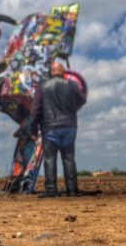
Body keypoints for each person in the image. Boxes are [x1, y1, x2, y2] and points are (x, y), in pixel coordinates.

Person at [29, 61, 87, 197]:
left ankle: (51, 191)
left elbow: (35, 110)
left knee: (50, 159)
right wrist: (73, 108)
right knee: (69, 158)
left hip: (50, 128)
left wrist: (32, 129)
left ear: (51, 72)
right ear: (63, 73)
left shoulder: (43, 87)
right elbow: (82, 99)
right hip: (70, 127)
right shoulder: (72, 86)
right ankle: (72, 190)